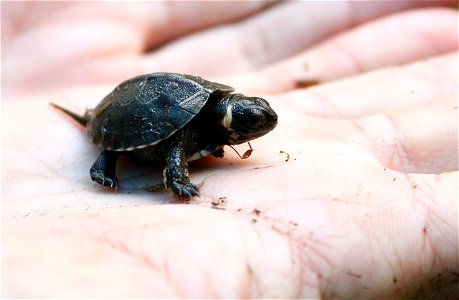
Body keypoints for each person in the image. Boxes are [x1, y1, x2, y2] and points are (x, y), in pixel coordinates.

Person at [2, 1, 458, 298]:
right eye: (250, 123)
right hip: (123, 114)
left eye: (254, 119)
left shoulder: (215, 108)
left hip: (185, 109)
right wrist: (175, 178)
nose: (257, 129)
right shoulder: (192, 125)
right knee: (155, 144)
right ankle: (107, 158)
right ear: (228, 119)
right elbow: (177, 139)